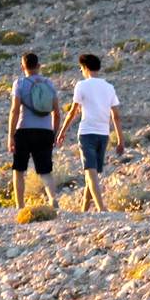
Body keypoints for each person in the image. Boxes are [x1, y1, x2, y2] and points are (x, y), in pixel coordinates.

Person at [56, 53, 124, 212]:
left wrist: (62, 131)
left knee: (90, 172)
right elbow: (116, 116)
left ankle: (101, 208)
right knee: (92, 173)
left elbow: (73, 112)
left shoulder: (81, 85)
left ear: (85, 68)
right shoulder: (109, 87)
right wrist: (120, 140)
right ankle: (84, 210)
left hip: (87, 133)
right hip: (103, 134)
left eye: (81, 68)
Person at [6, 52, 61, 213]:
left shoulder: (20, 84)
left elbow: (15, 111)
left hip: (24, 130)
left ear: (23, 66)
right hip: (45, 131)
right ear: (39, 66)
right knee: (45, 170)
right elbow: (56, 112)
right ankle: (52, 198)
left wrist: (11, 135)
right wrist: (54, 133)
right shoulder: (49, 84)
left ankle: (20, 205)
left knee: (19, 169)